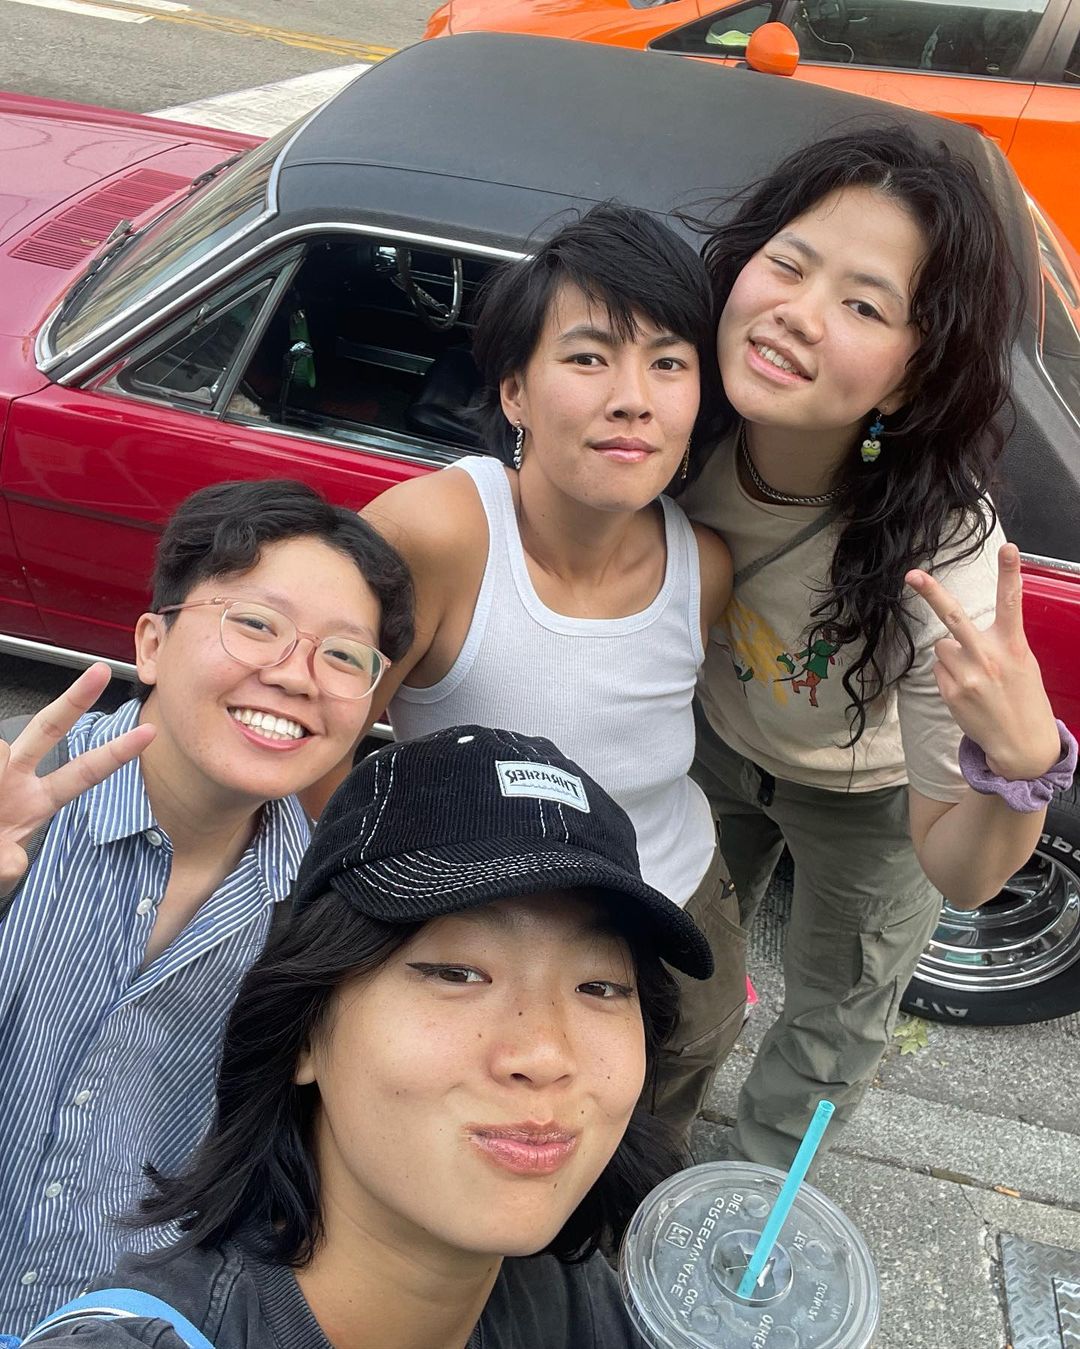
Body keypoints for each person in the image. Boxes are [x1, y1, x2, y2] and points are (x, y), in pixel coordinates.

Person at [18, 725, 713, 1349]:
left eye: (600, 986)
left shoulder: (571, 1292)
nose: (545, 1054)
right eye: (457, 972)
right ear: (304, 1031)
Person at [678, 127, 1077, 1169]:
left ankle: (753, 1202)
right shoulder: (674, 420)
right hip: (713, 747)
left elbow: (963, 872)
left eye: (864, 305)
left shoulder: (945, 547)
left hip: (866, 802)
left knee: (834, 1022)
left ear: (907, 378)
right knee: (671, 965)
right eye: (789, 264)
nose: (798, 313)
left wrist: (1023, 764)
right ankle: (635, 1157)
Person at [337, 204, 741, 1142]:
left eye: (669, 363)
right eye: (589, 357)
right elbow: (318, 758)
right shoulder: (436, 535)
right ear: (514, 390)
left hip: (677, 906)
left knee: (650, 1129)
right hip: (484, 933)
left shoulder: (707, 567)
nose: (633, 398)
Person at [0, 479, 413, 1336]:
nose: (294, 674)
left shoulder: (320, 921)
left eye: (345, 656)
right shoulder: (14, 805)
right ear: (152, 642)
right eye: (256, 623)